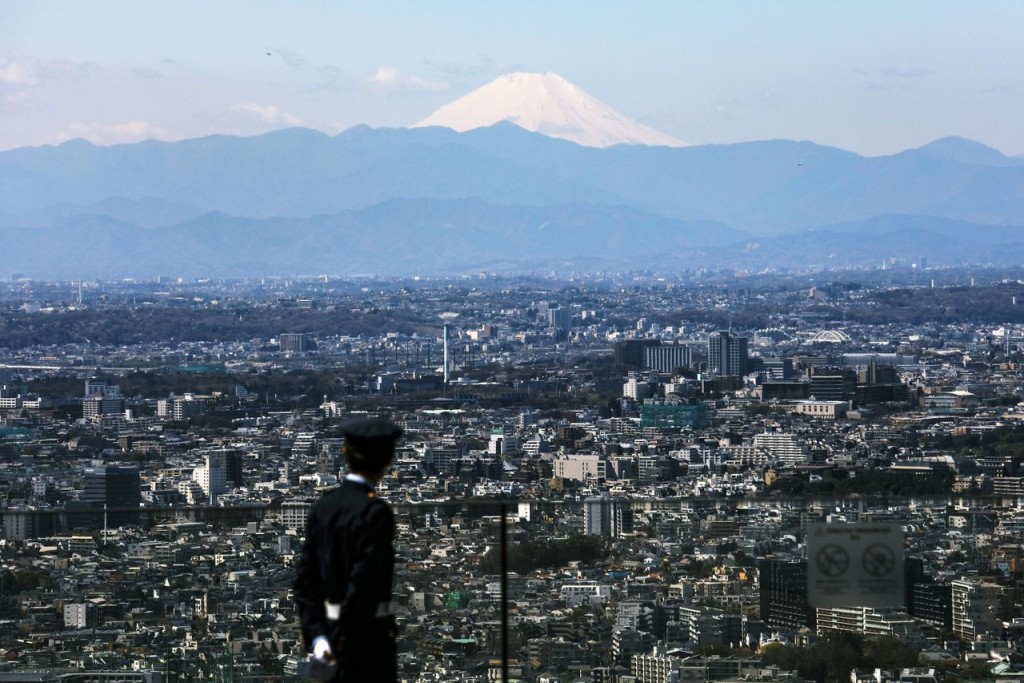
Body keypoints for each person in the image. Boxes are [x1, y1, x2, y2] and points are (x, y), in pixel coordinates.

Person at [294, 416, 403, 682]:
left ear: (345, 453)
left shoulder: (323, 506)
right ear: (387, 460)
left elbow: (305, 582)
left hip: (327, 636)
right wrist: (342, 641)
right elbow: (363, 585)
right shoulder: (374, 512)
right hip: (368, 641)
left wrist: (320, 639)